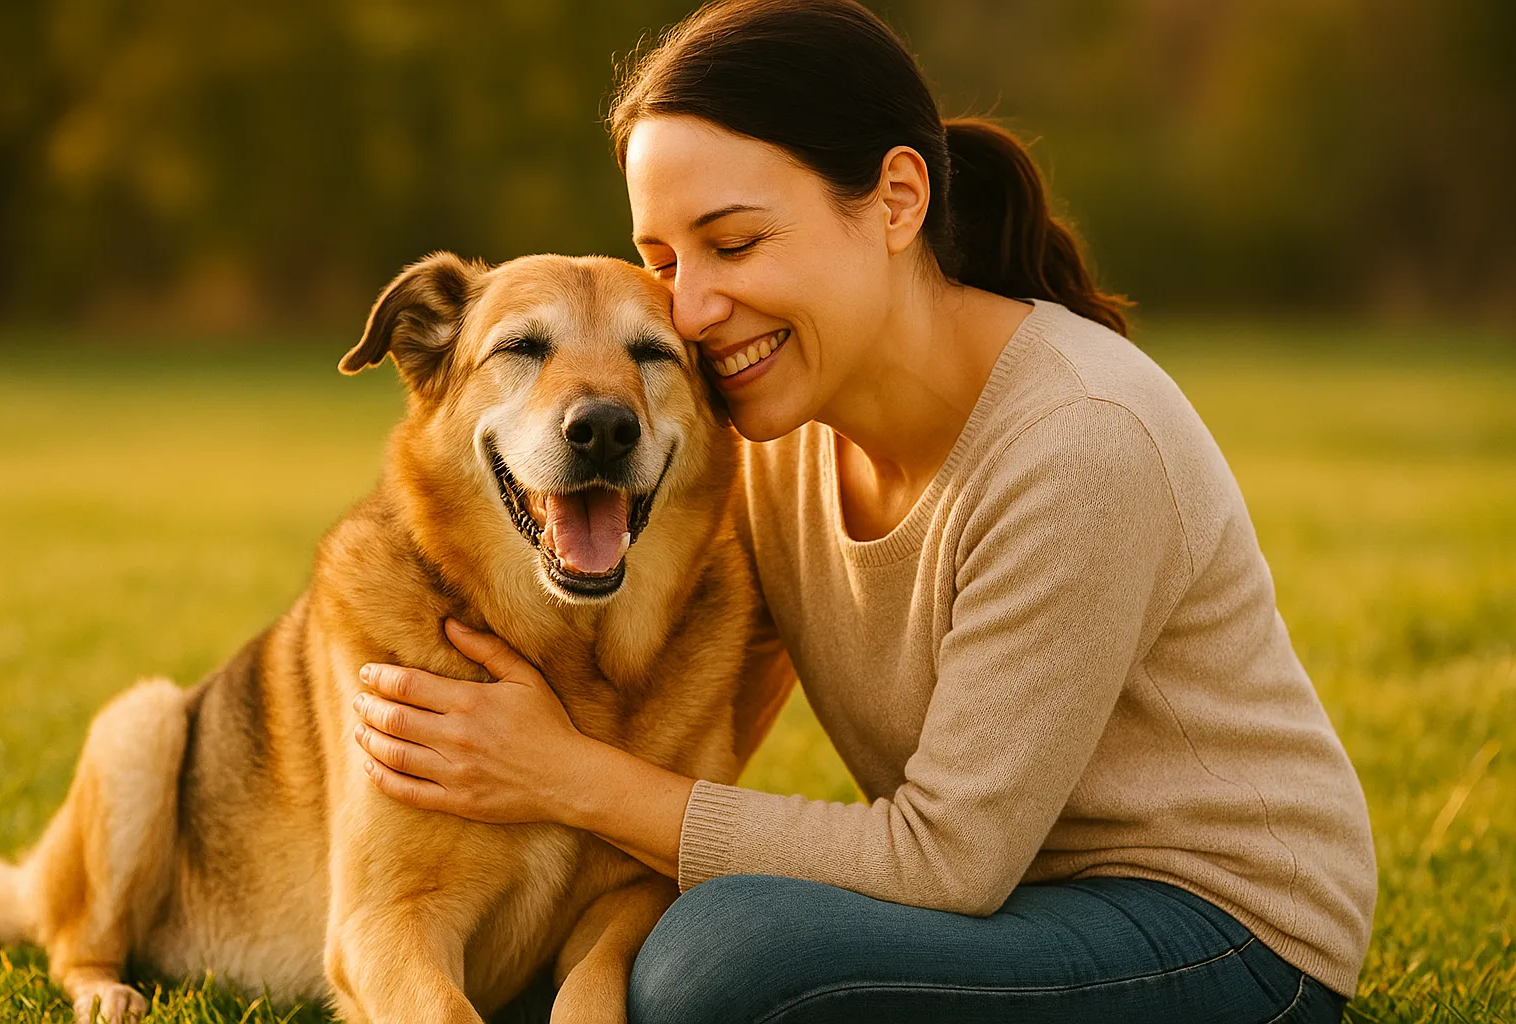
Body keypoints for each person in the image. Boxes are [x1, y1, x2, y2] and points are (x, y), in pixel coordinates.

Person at [348, 1, 1378, 1020]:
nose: (693, 310)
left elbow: (945, 861)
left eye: (735, 243)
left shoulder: (1080, 440)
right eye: (664, 261)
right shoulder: (777, 430)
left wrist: (562, 775)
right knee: (673, 938)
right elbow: (700, 720)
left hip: (1219, 933)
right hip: (1014, 898)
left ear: (895, 200)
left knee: (717, 963)